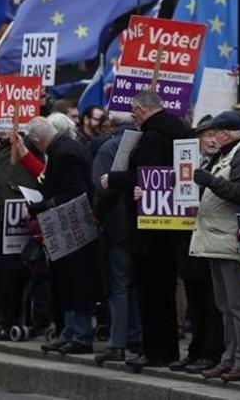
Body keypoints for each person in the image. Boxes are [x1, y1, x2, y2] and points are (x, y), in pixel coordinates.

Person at [107, 90, 191, 371]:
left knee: (151, 293)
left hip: (150, 230)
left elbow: (147, 177)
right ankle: (167, 350)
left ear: (142, 110)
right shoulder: (178, 131)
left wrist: (114, 179)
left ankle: (155, 351)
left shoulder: (152, 138)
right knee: (165, 292)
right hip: (173, 227)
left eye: (134, 113)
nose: (134, 118)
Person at [190, 110, 240, 382]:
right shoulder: (227, 154)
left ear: (225, 133)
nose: (212, 137)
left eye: (215, 132)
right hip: (217, 239)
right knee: (226, 305)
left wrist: (211, 180)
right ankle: (230, 358)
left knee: (238, 306)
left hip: (232, 240)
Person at [17, 113, 101, 355]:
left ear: (36, 140)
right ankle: (70, 332)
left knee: (75, 282)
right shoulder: (65, 148)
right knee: (66, 281)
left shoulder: (64, 154)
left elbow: (75, 190)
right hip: (69, 226)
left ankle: (80, 335)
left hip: (74, 226)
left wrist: (41, 206)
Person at [173, 114, 224, 375]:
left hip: (212, 238)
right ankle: (195, 350)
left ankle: (211, 352)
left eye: (217, 134)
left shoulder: (224, 163)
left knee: (211, 299)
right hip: (187, 238)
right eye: (207, 135)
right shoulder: (185, 162)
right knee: (194, 297)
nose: (213, 140)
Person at [92, 110, 142, 364]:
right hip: (139, 221)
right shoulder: (142, 142)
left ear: (111, 126)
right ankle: (135, 336)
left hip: (116, 224)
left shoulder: (107, 147)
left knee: (119, 285)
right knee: (134, 283)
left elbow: (101, 188)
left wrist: (96, 214)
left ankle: (118, 343)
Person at [0, 129, 38, 342]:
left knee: (14, 274)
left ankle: (15, 322)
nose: (0, 129)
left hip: (18, 223)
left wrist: (21, 144)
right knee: (3, 274)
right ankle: (7, 321)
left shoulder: (28, 147)